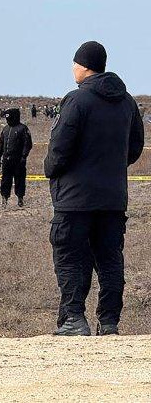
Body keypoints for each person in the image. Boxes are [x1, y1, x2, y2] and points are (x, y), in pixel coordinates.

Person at [44, 41, 144, 337]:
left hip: (75, 200)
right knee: (110, 260)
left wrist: (52, 169)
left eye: (74, 63)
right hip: (113, 199)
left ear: (84, 66)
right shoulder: (127, 102)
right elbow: (135, 147)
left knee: (70, 257)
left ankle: (74, 319)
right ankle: (109, 322)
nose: (72, 69)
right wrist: (110, 168)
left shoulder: (77, 101)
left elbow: (60, 147)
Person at [0, 108, 32, 207]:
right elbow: (1, 143)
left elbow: (27, 144)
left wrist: (24, 156)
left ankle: (20, 198)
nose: (8, 120)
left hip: (18, 160)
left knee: (19, 180)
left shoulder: (23, 128)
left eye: (9, 117)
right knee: (5, 180)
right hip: (6, 160)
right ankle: (4, 198)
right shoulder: (5, 129)